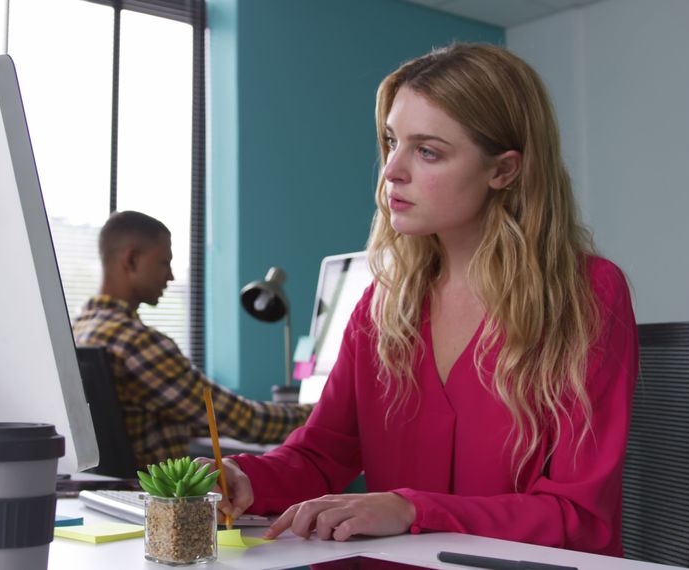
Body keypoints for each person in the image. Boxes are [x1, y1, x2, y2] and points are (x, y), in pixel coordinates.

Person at [206, 43, 638, 556]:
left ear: (503, 171)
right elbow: (325, 454)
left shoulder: (587, 294)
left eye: (427, 151)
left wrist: (412, 509)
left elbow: (578, 516)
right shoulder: (382, 306)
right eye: (392, 142)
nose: (391, 170)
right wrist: (246, 477)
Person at [72, 210, 312, 469]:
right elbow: (244, 421)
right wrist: (322, 412)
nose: (171, 276)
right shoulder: (136, 343)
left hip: (108, 497)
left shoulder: (80, 331)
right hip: (162, 500)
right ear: (131, 260)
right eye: (164, 263)